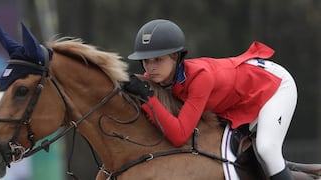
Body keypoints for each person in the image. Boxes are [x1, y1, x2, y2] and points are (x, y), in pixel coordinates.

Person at [123, 19, 297, 180]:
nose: (151, 67)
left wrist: (149, 100)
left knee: (267, 149)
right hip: (238, 96)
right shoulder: (157, 77)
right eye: (145, 61)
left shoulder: (201, 78)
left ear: (175, 57)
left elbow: (179, 135)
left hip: (273, 85)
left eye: (158, 60)